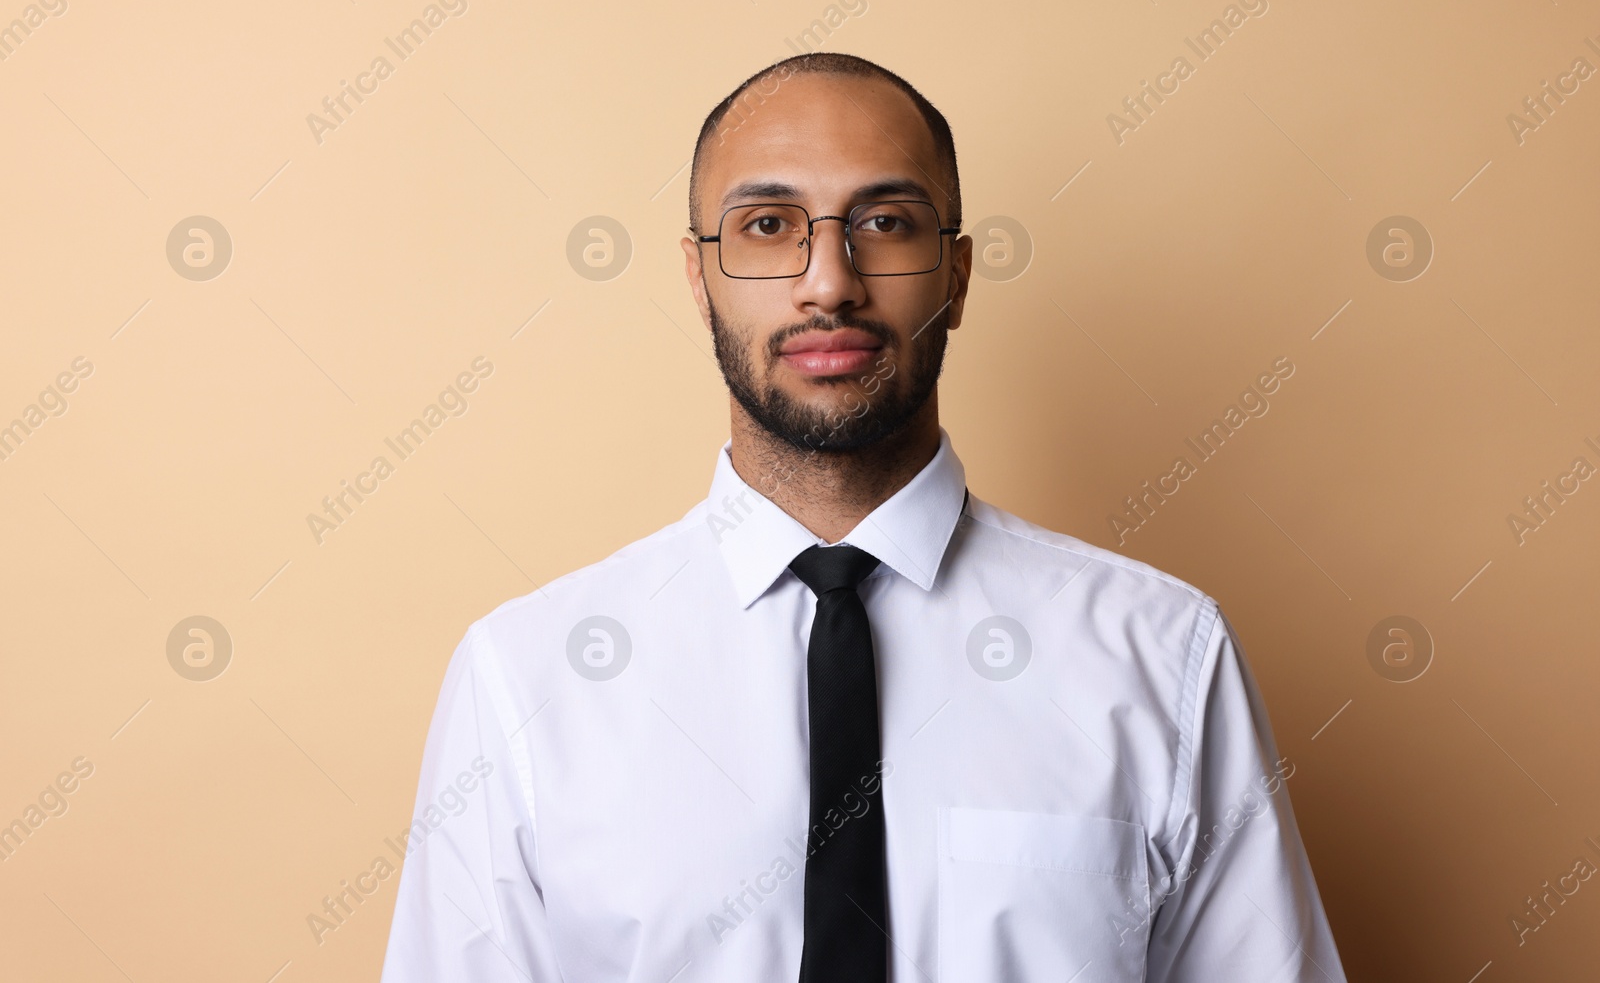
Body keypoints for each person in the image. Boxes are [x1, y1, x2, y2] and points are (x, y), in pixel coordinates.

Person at [380, 51, 1346, 982]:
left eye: (885, 220)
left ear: (958, 275)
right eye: (767, 225)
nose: (830, 280)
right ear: (698, 276)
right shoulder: (529, 679)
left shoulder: (1163, 655)